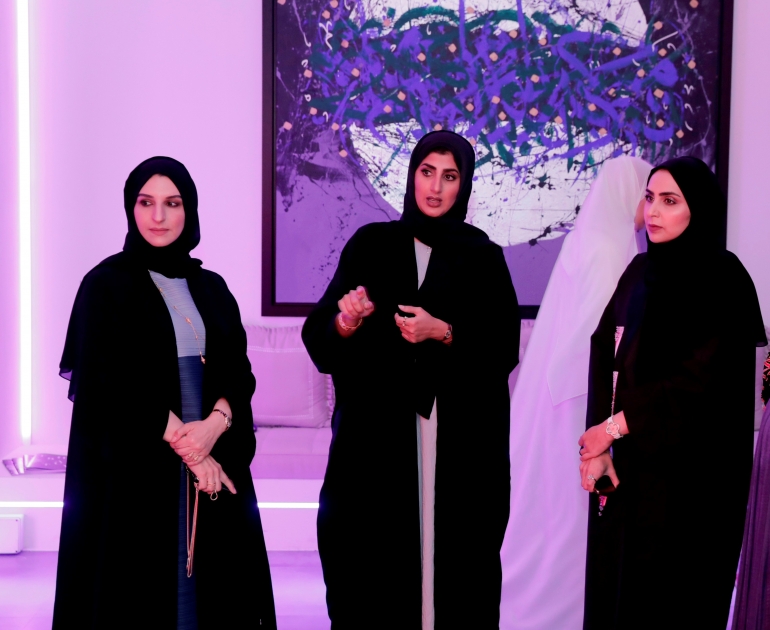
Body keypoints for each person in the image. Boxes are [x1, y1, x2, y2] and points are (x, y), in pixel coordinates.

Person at [302, 130, 520, 629]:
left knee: (454, 567)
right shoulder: (372, 245)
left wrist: (443, 331)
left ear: (464, 185)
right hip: (379, 441)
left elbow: (502, 348)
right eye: (427, 172)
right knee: (375, 567)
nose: (435, 188)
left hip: (458, 442)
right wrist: (347, 320)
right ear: (411, 175)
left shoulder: (483, 256)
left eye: (449, 176)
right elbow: (320, 340)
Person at [53, 157, 276, 629]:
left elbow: (238, 372)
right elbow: (105, 381)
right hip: (136, 470)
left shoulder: (211, 288)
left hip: (213, 459)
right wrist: (191, 450)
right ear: (130, 209)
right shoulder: (105, 285)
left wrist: (215, 426)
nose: (158, 216)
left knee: (215, 595)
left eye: (172, 204)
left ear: (188, 210)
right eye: (145, 202)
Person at [578, 157, 766, 630]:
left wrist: (612, 429)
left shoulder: (723, 280)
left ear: (697, 209)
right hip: (627, 473)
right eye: (649, 198)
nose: (654, 212)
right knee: (617, 598)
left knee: (673, 602)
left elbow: (698, 382)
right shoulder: (639, 272)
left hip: (692, 486)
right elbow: (605, 354)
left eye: (670, 201)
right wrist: (599, 449)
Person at [499, 155, 651, 629]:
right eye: (647, 194)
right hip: (582, 398)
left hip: (562, 390)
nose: (649, 207)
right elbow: (600, 333)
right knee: (571, 511)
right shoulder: (610, 246)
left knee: (549, 508)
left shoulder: (587, 238)